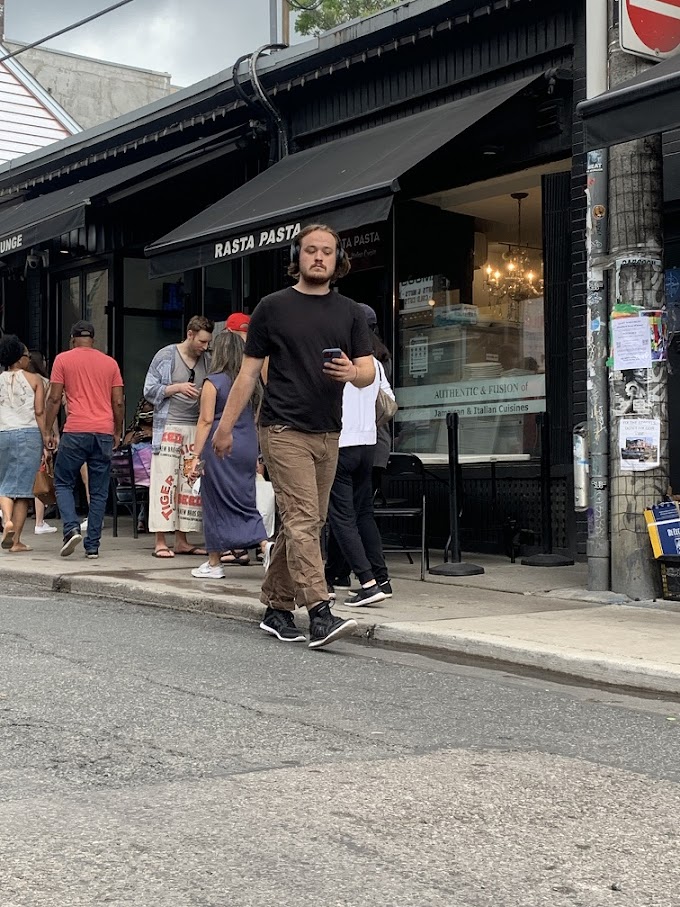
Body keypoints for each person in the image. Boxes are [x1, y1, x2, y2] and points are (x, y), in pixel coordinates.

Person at [212, 223, 375, 649]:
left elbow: (368, 369)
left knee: (305, 522)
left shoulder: (350, 312)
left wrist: (352, 373)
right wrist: (224, 428)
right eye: (310, 251)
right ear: (297, 258)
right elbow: (248, 373)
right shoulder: (272, 307)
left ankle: (276, 607)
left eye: (326, 251)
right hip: (282, 429)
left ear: (338, 260)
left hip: (329, 433)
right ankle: (319, 611)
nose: (318, 257)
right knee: (305, 520)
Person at [186, 330, 269, 579]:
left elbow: (205, 420)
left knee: (215, 502)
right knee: (243, 497)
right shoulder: (250, 384)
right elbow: (254, 419)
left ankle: (258, 546)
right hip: (246, 445)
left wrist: (195, 456)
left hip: (220, 445)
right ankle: (216, 560)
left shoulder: (213, 382)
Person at [325, 303, 394, 605]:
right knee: (363, 513)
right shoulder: (375, 364)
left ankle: (367, 581)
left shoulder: (335, 361)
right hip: (368, 443)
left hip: (340, 443)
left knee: (340, 517)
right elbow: (389, 402)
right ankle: (380, 577)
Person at [44, 320, 125, 558]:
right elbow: (118, 401)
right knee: (99, 492)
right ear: (93, 340)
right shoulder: (110, 363)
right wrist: (117, 430)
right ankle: (93, 546)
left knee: (62, 482)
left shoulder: (63, 359)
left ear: (72, 339)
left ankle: (70, 528)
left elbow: (54, 398)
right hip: (102, 433)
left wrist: (48, 429)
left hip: (76, 430)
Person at [143, 315, 214, 559]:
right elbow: (149, 390)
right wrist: (176, 387)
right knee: (165, 481)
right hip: (169, 425)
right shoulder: (166, 355)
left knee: (188, 483)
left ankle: (182, 539)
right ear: (190, 334)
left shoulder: (208, 359)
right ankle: (160, 540)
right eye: (202, 341)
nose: (204, 347)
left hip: (195, 426)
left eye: (208, 343)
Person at [0, 336, 46, 553]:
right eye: (26, 355)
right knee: (24, 490)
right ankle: (16, 540)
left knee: (4, 483)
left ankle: (6, 520)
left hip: (2, 433)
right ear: (19, 359)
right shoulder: (35, 379)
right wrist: (47, 436)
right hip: (28, 434)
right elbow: (39, 411)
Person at [26, 350, 58, 535]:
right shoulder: (44, 383)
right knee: (41, 475)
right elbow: (47, 412)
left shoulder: (19, 380)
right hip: (37, 432)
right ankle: (39, 521)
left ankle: (6, 515)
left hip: (14, 431)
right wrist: (52, 435)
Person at [122, 397, 154, 533]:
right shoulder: (132, 432)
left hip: (148, 478)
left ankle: (142, 518)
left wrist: (154, 435)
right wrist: (133, 441)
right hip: (136, 479)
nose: (147, 418)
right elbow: (123, 450)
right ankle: (143, 518)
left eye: (151, 414)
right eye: (144, 415)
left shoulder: (161, 430)